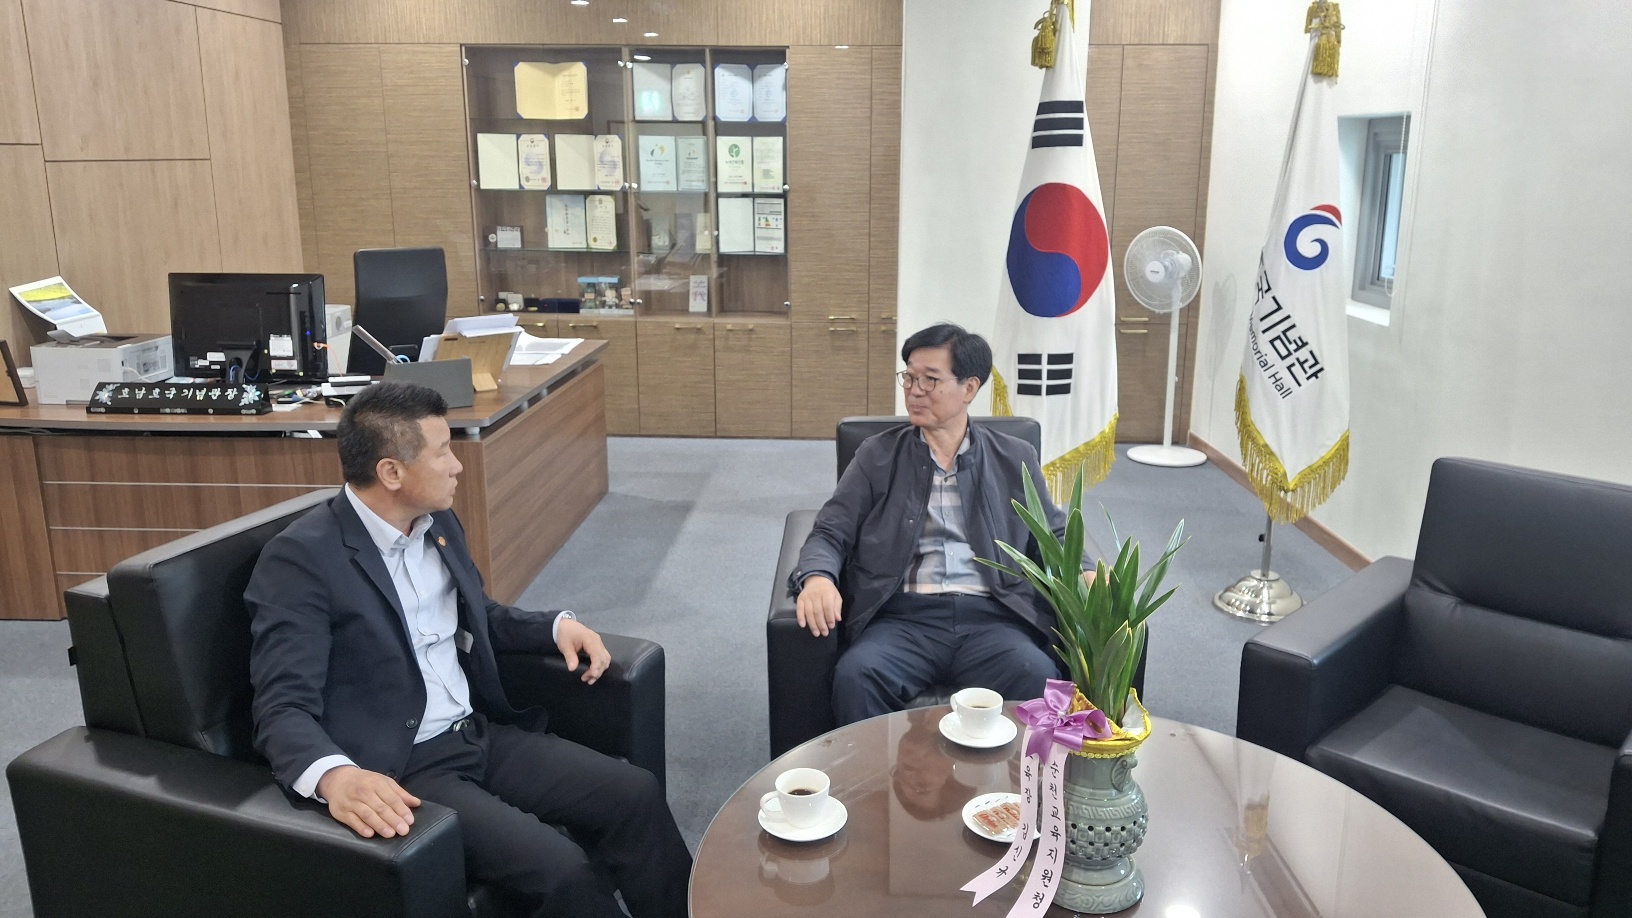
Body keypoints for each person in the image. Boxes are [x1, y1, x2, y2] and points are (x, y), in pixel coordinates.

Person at [245, 382, 690, 918]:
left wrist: (553, 628)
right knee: (561, 870)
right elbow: (281, 706)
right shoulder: (301, 560)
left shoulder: (437, 523)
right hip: (405, 766)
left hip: (475, 733)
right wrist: (336, 777)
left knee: (633, 793)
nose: (457, 466)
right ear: (391, 472)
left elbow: (480, 615)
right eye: (443, 452)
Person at [790, 323, 1099, 725]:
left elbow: (1053, 534)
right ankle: (871, 772)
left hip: (992, 618)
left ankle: (1019, 772)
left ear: (969, 388)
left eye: (930, 380)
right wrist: (817, 577)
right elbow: (830, 530)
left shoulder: (1014, 457)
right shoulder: (876, 455)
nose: (914, 391)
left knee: (1036, 675)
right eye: (909, 377)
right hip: (903, 619)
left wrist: (1086, 571)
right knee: (857, 676)